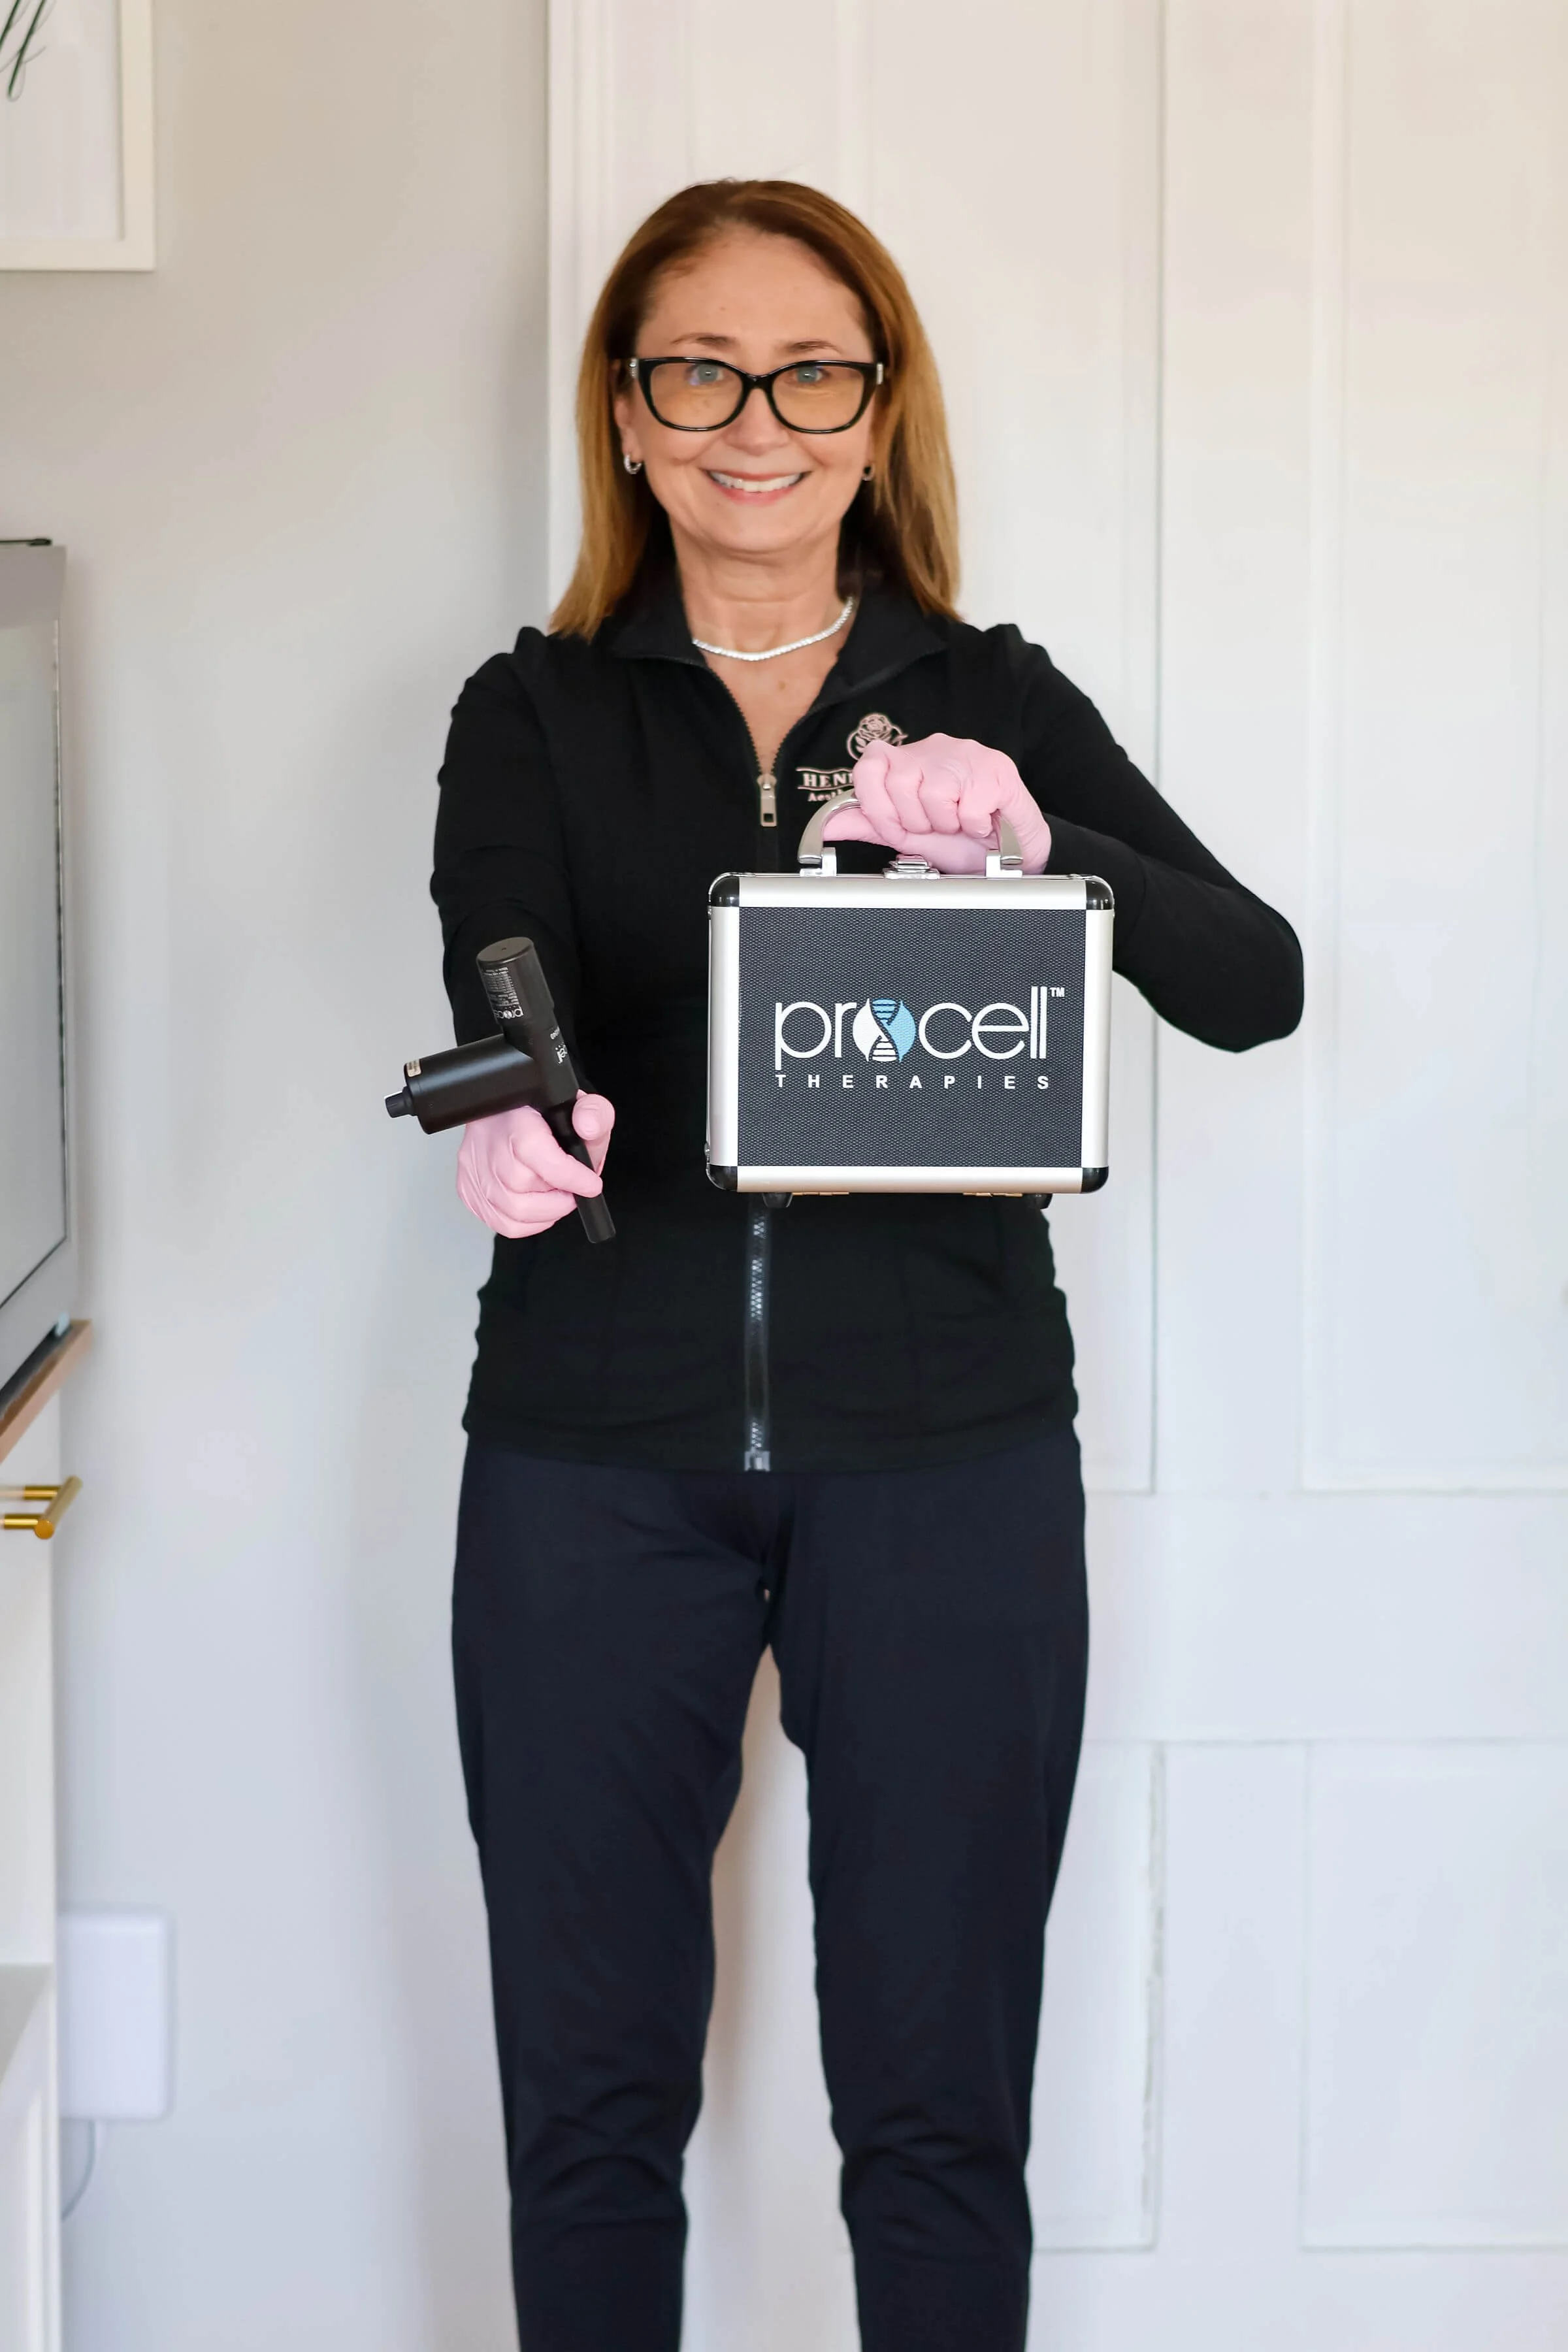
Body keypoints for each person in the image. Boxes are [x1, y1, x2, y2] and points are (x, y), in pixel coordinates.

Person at [433, 179, 1301, 2352]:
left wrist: (1038, 837)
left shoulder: (988, 693)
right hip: (590, 1462)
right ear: (626, 419)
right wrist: (508, 1120)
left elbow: (1254, 983)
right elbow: (492, 980)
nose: (756, 418)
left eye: (811, 367)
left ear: (880, 404)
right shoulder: (528, 709)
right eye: (697, 369)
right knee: (590, 2101)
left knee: (935, 2113)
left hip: (948, 1463)